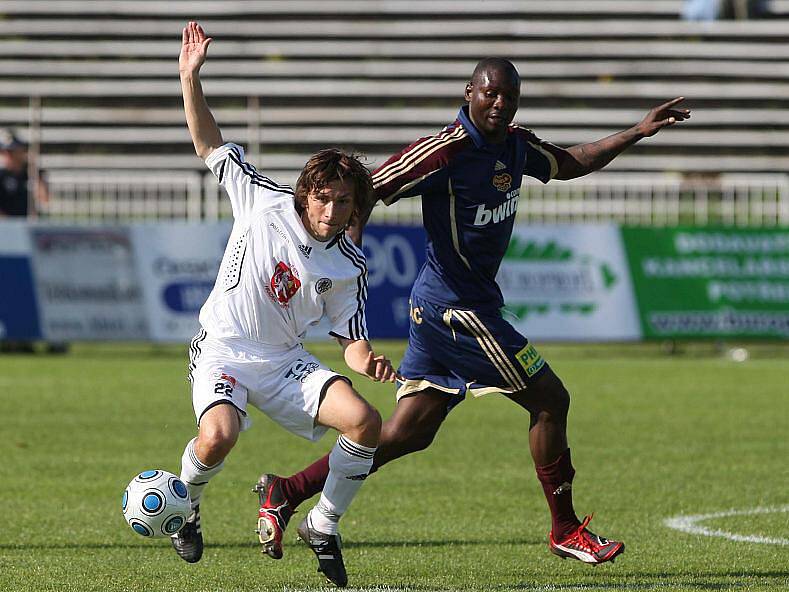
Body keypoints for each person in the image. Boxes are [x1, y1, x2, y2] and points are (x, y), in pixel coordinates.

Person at [253, 57, 691, 567]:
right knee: (550, 399)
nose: (499, 104)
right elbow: (368, 190)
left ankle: (288, 491)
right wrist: (348, 256)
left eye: (509, 96)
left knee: (408, 431)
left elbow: (571, 162)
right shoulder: (444, 152)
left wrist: (638, 130)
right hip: (455, 310)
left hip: (454, 305)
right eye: (490, 94)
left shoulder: (515, 145)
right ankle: (566, 529)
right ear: (469, 93)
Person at [172, 22, 396, 588]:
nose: (331, 209)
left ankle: (323, 523)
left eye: (343, 201)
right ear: (306, 193)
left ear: (354, 208)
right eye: (324, 197)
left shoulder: (350, 264)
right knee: (218, 438)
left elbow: (352, 341)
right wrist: (189, 78)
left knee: (365, 422)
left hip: (282, 360)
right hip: (223, 347)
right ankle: (188, 505)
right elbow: (208, 144)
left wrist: (367, 361)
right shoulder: (261, 200)